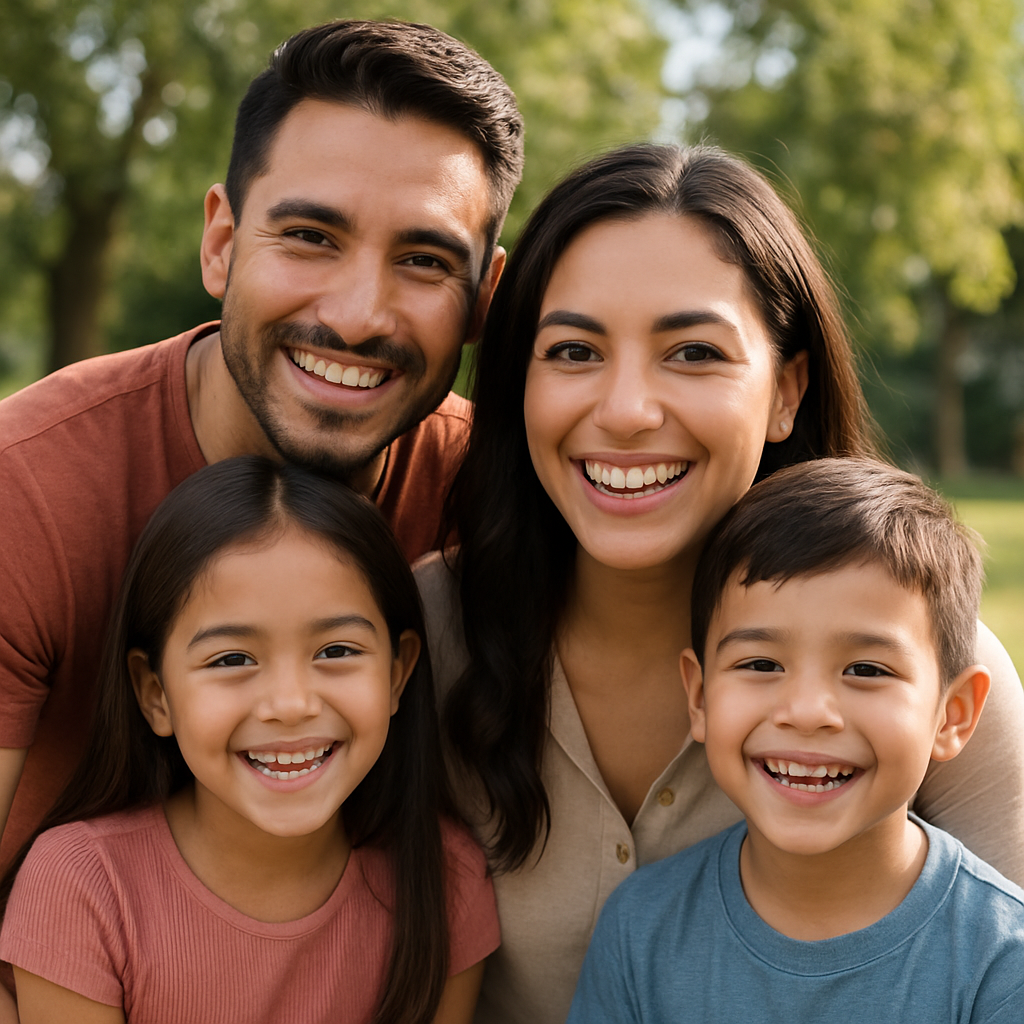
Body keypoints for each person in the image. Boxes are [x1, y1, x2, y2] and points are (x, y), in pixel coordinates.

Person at [415, 143, 1024, 1024]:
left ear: (786, 391)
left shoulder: (931, 670)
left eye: (694, 352)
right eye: (575, 351)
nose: (626, 411)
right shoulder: (420, 642)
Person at [0, 19, 523, 881]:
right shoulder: (31, 489)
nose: (358, 316)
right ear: (222, 242)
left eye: (425, 260)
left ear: (482, 297)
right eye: (311, 237)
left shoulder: (497, 497)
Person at [0, 457, 499, 1024]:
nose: (290, 705)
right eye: (232, 659)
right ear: (155, 694)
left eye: (336, 651)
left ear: (396, 674)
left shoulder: (445, 879)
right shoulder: (84, 886)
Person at [567, 458, 1024, 1023]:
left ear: (951, 715)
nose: (807, 712)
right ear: (701, 697)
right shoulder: (640, 930)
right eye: (762, 663)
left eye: (866, 670)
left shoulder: (1003, 964)